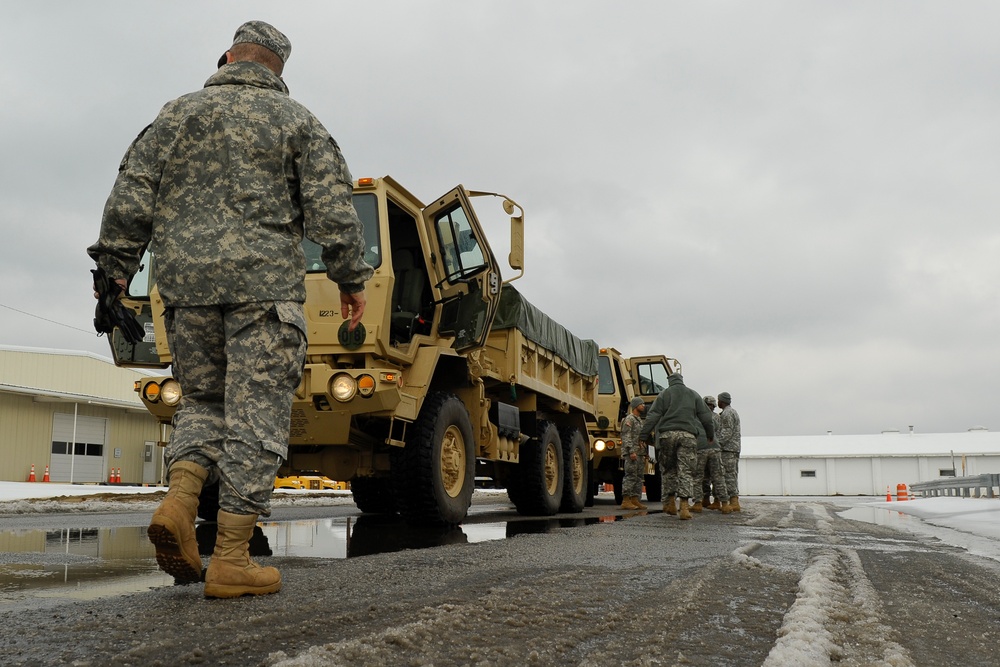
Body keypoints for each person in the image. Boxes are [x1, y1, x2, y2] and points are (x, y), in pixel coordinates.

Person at [88, 21, 373, 598]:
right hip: (263, 293)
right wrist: (350, 276)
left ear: (227, 58)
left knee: (203, 401)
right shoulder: (297, 122)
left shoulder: (175, 115)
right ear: (278, 70)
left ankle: (180, 500)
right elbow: (331, 210)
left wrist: (114, 274)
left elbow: (131, 193)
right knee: (255, 415)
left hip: (185, 291)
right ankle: (232, 558)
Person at [639, 374, 715, 520]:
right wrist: (710, 434)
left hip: (667, 435)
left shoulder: (664, 394)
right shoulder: (693, 394)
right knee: (685, 471)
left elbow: (653, 415)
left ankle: (670, 503)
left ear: (669, 382)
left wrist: (643, 435)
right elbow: (706, 416)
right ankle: (685, 508)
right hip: (687, 436)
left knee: (669, 470)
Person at [692, 396, 732, 514]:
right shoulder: (715, 417)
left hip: (701, 448)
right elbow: (718, 430)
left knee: (698, 477)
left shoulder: (694, 416)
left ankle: (698, 503)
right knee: (718, 477)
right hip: (715, 447)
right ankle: (724, 503)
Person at [619, 397, 647, 510]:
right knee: (630, 476)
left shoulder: (639, 420)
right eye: (641, 404)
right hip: (632, 453)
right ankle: (626, 500)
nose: (644, 406)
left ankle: (635, 499)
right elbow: (626, 436)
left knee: (639, 477)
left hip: (640, 453)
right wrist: (631, 451)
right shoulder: (629, 419)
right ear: (636, 406)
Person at [717, 392, 742, 512]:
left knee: (729, 475)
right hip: (733, 448)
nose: (717, 402)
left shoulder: (727, 414)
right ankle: (734, 500)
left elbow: (727, 432)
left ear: (722, 401)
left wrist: (718, 444)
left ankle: (734, 501)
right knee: (732, 474)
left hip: (728, 449)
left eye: (718, 400)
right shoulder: (732, 412)